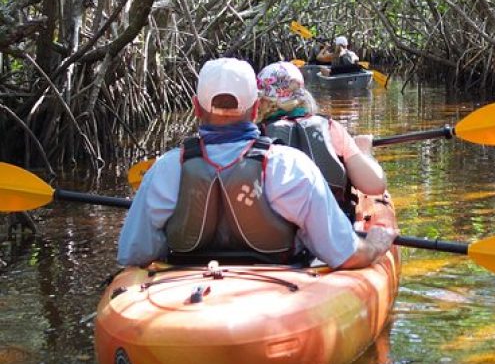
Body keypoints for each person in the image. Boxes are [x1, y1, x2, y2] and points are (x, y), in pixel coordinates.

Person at [116, 57, 396, 269]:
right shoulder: (292, 167)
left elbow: (134, 255)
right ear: (254, 109)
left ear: (196, 107)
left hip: (186, 293)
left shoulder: (165, 169)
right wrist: (372, 246)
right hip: (278, 290)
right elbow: (344, 255)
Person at [256, 61, 386, 217]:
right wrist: (364, 152)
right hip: (331, 224)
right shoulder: (331, 128)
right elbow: (375, 185)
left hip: (279, 230)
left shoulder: (257, 135)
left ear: (261, 100)